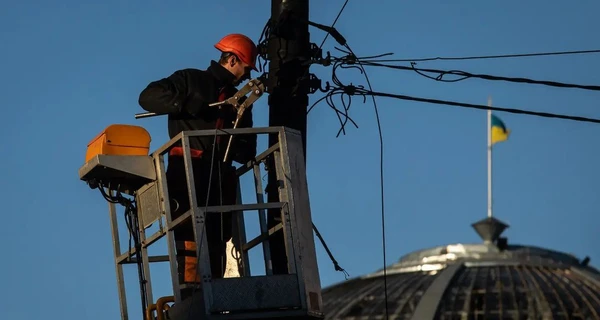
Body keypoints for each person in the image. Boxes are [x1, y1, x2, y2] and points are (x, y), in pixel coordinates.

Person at [137, 33, 258, 300]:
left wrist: (235, 137)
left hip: (219, 176)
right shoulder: (190, 80)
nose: (247, 76)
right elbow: (148, 97)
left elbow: (248, 150)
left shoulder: (240, 103)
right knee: (189, 234)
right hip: (187, 170)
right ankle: (191, 295)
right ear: (233, 59)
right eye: (246, 68)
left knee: (217, 238)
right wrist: (185, 104)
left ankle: (211, 292)